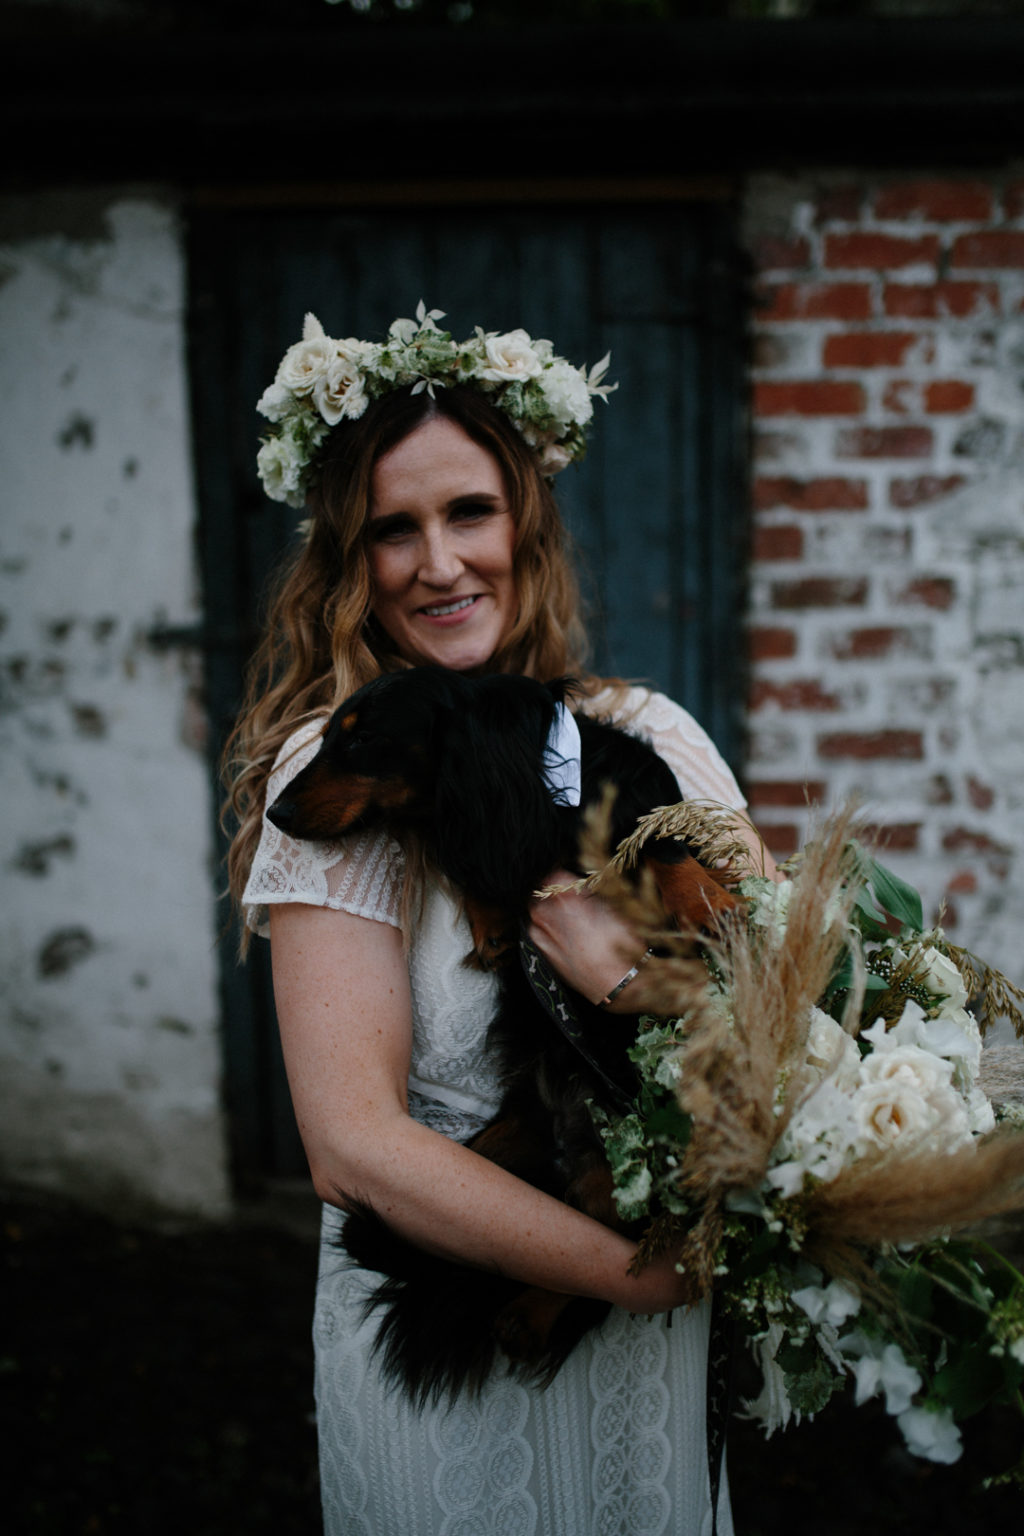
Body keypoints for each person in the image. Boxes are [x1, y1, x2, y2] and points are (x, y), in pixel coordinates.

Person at [225, 305, 773, 1536]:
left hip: (649, 1350)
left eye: (468, 512)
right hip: (461, 1343)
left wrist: (631, 987)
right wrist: (635, 1277)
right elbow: (352, 1148)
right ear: (346, 560)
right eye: (391, 530)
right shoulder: (340, 771)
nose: (438, 563)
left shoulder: (656, 734)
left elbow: (773, 1004)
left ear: (523, 519)